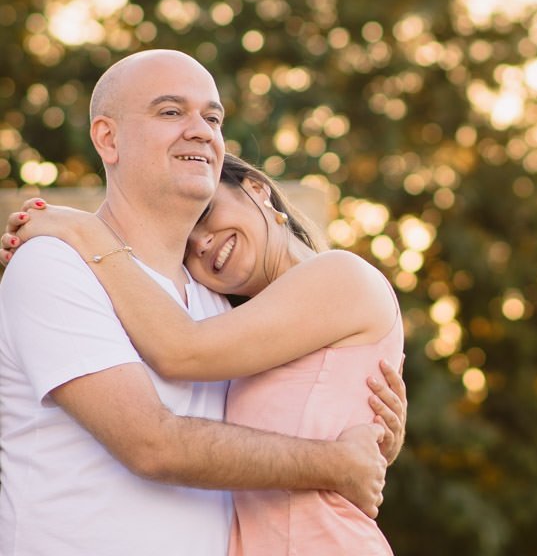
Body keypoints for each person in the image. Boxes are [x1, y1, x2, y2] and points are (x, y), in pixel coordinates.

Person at [0, 50, 405, 556]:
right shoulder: (56, 265)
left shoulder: (217, 304)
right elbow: (153, 443)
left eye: (212, 118)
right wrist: (340, 460)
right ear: (107, 137)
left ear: (257, 189)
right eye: (171, 111)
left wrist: (376, 438)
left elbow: (195, 362)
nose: (199, 130)